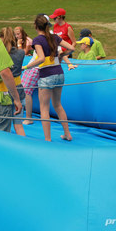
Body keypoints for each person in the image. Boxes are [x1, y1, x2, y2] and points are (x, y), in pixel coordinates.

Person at [22, 14, 75, 142]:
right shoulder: (54, 37)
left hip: (46, 75)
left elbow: (40, 58)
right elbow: (72, 48)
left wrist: (26, 67)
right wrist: (62, 54)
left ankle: (47, 139)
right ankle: (67, 134)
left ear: (36, 26)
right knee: (57, 105)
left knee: (44, 107)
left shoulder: (38, 40)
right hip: (59, 73)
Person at [0, 27, 26, 136]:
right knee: (18, 125)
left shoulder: (0, 54)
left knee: (3, 127)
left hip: (4, 93)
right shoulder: (21, 53)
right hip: (19, 92)